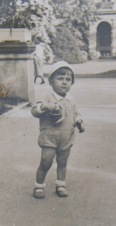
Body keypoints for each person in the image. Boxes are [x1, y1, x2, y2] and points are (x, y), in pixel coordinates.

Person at [31, 61, 85, 199]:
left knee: (62, 162)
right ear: (51, 81)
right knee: (46, 161)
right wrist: (45, 107)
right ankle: (39, 186)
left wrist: (79, 121)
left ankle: (60, 184)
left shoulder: (72, 99)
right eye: (60, 79)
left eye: (68, 79)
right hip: (49, 136)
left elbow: (76, 113)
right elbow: (34, 111)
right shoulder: (47, 98)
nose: (64, 82)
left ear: (72, 83)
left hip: (66, 138)